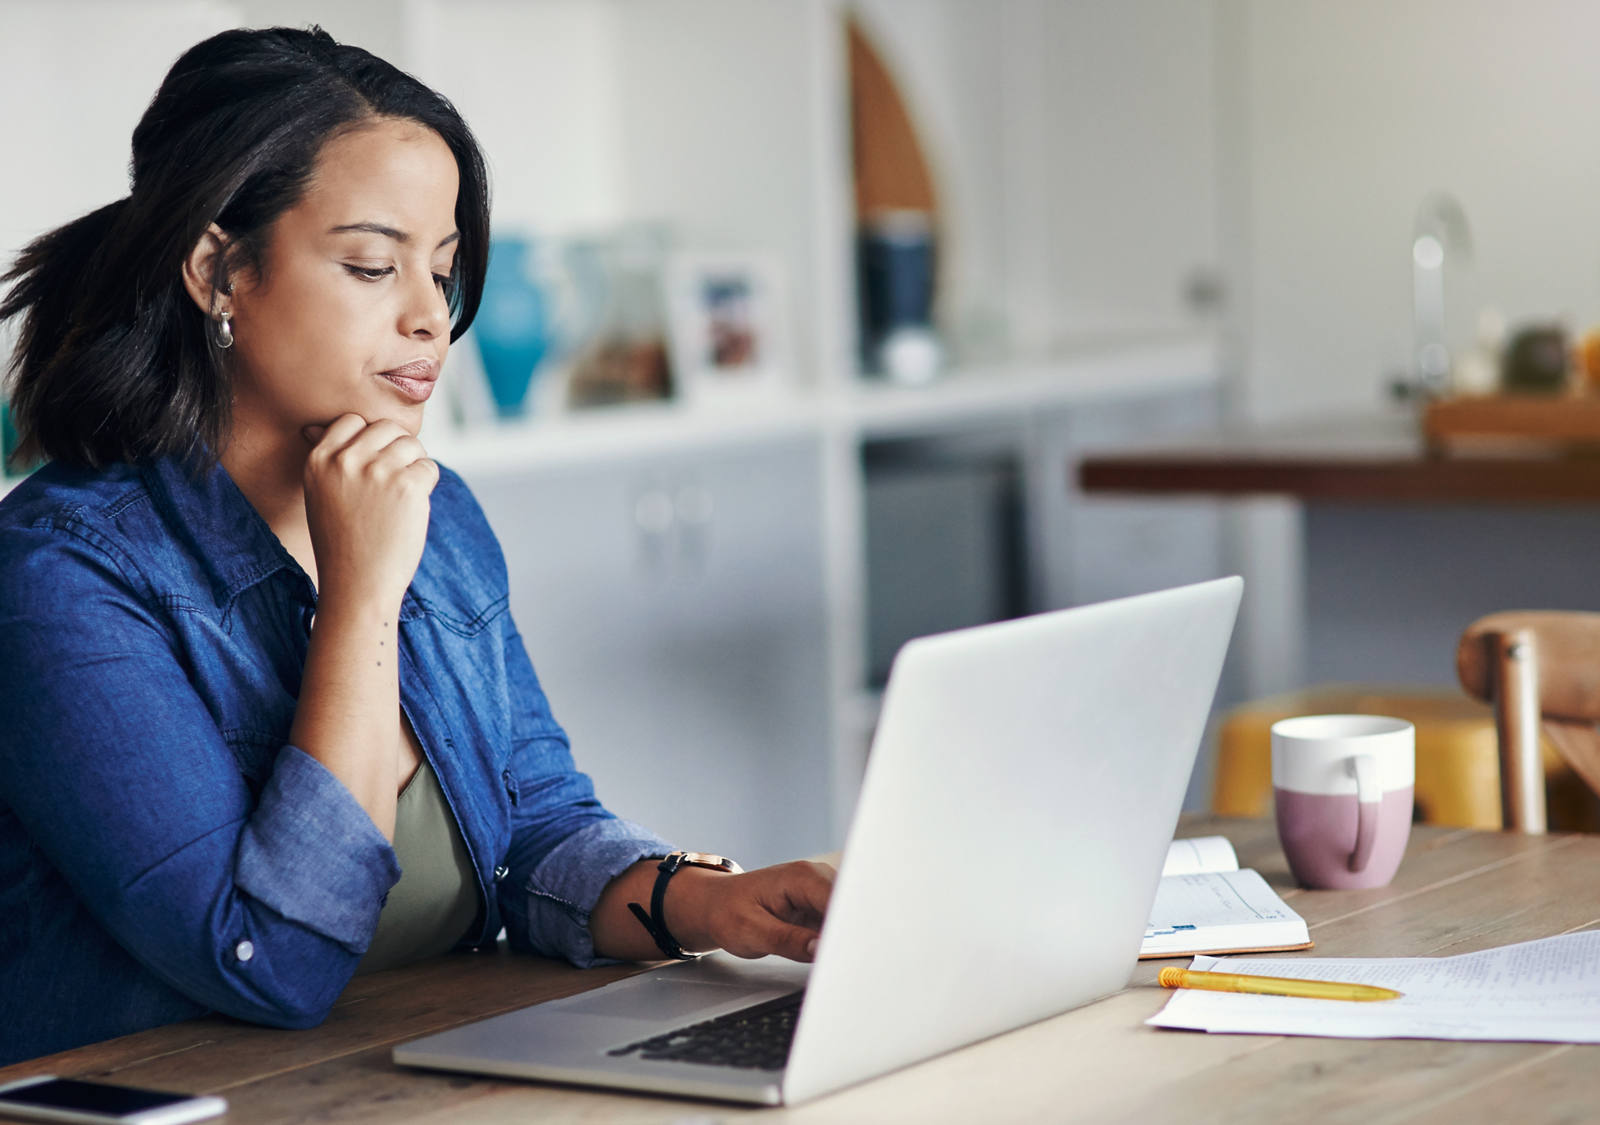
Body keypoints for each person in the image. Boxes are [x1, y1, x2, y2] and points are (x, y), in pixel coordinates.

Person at [0, 25, 833, 1067]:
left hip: (411, 1075)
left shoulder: (429, 509)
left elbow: (536, 833)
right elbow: (269, 959)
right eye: (368, 265)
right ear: (220, 269)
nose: (428, 318)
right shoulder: (60, 576)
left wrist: (710, 903)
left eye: (440, 270)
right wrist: (358, 600)